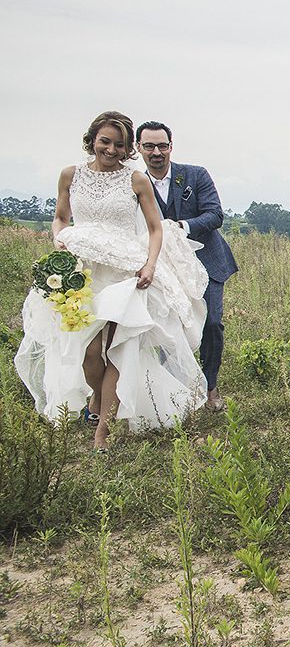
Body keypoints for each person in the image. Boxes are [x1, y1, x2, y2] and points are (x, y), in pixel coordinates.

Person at [15, 112, 210, 451]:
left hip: (125, 275)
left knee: (117, 348)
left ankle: (102, 431)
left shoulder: (136, 180)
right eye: (105, 141)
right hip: (85, 271)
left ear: (127, 149)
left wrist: (149, 265)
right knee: (90, 354)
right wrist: (60, 240)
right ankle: (95, 397)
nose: (111, 149)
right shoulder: (70, 175)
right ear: (92, 140)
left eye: (119, 144)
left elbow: (154, 228)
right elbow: (60, 218)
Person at [135, 120, 237, 411]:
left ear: (171, 146)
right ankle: (176, 389)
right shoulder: (136, 183)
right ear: (139, 148)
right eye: (149, 146)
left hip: (207, 261)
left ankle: (210, 387)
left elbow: (215, 215)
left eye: (162, 145)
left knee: (212, 323)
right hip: (163, 267)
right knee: (171, 327)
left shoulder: (195, 175)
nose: (157, 152)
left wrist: (179, 227)